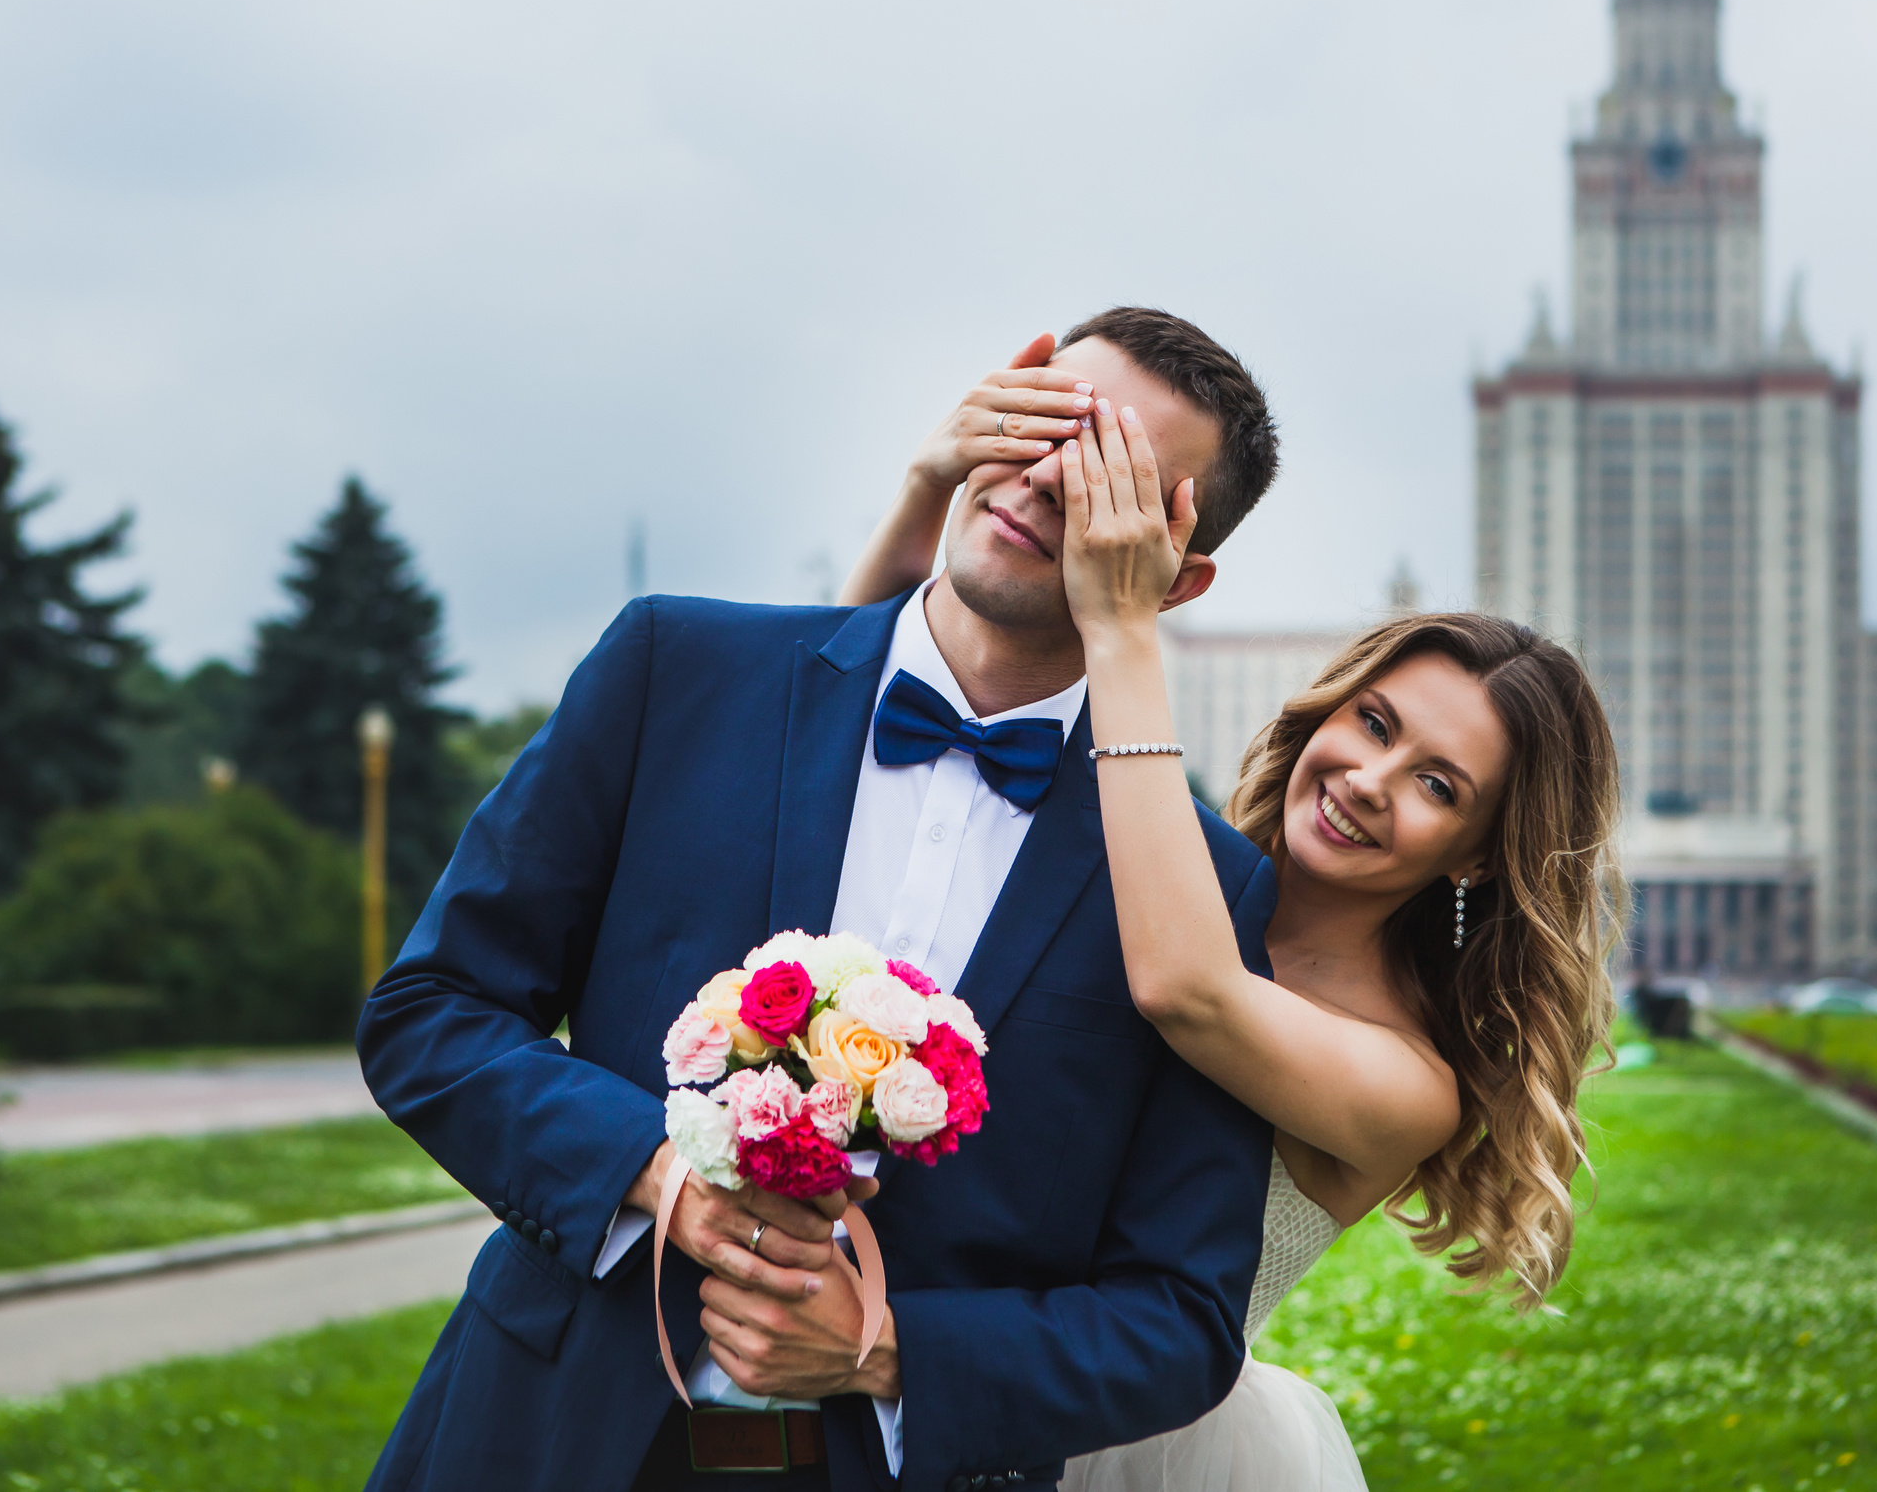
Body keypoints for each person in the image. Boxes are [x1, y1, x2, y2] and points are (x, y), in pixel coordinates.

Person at [357, 306, 1286, 1492]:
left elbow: (1179, 1319)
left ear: (1180, 574)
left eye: (1109, 477)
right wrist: (660, 1176)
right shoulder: (673, 671)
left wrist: (887, 1354)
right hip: (533, 1436)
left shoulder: (1207, 894)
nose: (1048, 478)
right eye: (1045, 422)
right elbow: (431, 1010)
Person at [839, 360, 1624, 1491]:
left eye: (1439, 785)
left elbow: (1190, 992)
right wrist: (930, 489)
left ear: (1481, 855)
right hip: (901, 1366)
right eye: (1372, 722)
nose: (1367, 778)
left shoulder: (1403, 1078)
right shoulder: (1178, 870)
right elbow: (861, 762)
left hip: (1112, 1439)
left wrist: (1121, 624)